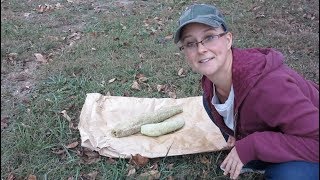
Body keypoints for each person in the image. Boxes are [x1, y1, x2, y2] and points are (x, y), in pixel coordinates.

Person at [174, 3, 319, 180]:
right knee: (208, 102)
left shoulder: (270, 86)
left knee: (288, 176)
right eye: (190, 43)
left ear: (228, 40)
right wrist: (241, 136)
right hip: (285, 136)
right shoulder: (210, 85)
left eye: (209, 37)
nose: (201, 49)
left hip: (312, 142)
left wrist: (252, 145)